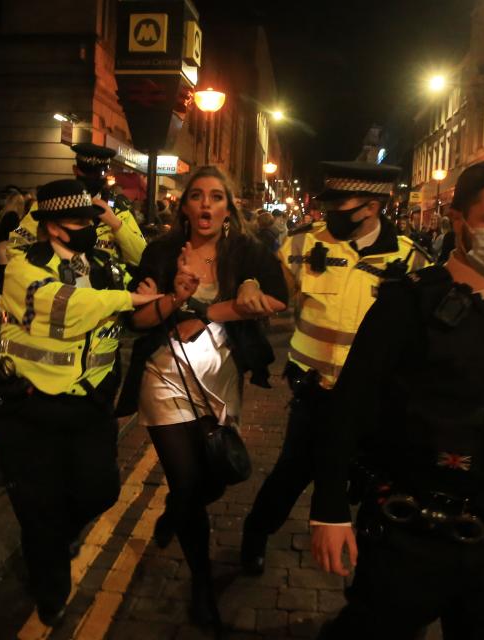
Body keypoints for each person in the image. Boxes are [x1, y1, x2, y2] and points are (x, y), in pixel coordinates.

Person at [310, 160, 484, 639]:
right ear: (459, 220)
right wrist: (330, 509)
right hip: (410, 535)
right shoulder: (406, 305)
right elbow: (347, 410)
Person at [115, 166, 288, 630]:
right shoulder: (161, 251)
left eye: (216, 197)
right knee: (187, 483)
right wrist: (174, 298)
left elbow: (280, 297)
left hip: (221, 378)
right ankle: (201, 583)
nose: (206, 205)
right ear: (184, 206)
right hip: (165, 373)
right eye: (197, 196)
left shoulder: (247, 252)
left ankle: (175, 510)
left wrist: (219, 303)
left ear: (229, 206)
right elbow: (141, 321)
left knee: (214, 477)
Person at [241, 161, 432, 575]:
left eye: (341, 204)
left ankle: (369, 569)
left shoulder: (411, 262)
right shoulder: (302, 246)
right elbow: (266, 283)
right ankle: (255, 534)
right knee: (289, 478)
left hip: (375, 404)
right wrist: (250, 284)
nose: (331, 212)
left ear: (373, 206)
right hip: (316, 395)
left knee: (373, 488)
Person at [0, 179, 161, 627]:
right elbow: (62, 306)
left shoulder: (104, 264)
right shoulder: (24, 267)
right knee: (38, 505)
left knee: (100, 490)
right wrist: (127, 298)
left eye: (91, 220)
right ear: (54, 229)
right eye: (80, 221)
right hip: (28, 405)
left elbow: (146, 264)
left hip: (90, 403)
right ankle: (51, 589)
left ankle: (50, 540)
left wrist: (116, 221)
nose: (89, 228)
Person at [7, 143, 146, 284]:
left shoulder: (118, 209)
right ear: (75, 170)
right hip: (61, 287)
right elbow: (15, 245)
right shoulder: (52, 203)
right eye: (87, 172)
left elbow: (142, 257)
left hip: (109, 290)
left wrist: (116, 225)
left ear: (107, 173)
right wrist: (55, 269)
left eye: (100, 173)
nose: (93, 178)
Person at [0, 191, 25, 296]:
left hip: (2, 248)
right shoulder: (13, 216)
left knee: (1, 280)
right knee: (4, 283)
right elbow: (13, 236)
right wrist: (26, 240)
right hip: (6, 250)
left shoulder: (5, 214)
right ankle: (0, 312)